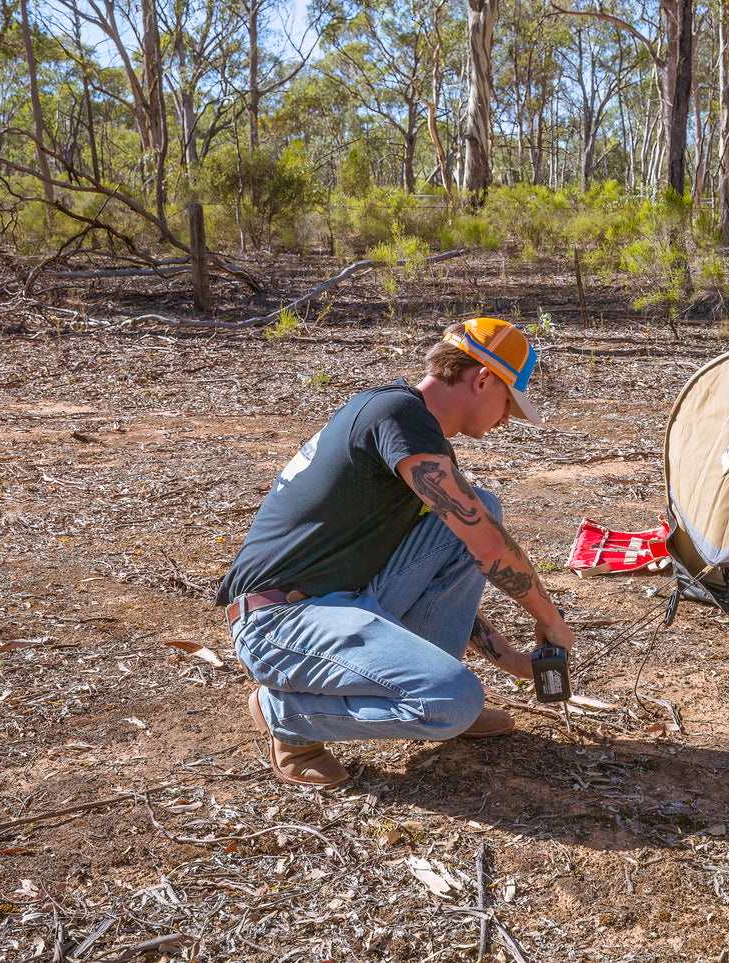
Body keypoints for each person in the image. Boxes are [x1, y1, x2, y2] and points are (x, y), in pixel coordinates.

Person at [217, 317, 577, 788]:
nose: (507, 418)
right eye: (509, 402)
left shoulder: (414, 434)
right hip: (279, 622)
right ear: (483, 378)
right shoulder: (397, 416)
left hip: (344, 602)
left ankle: (443, 696)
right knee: (455, 698)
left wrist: (510, 658)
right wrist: (549, 619)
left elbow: (446, 567)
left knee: (479, 508)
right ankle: (288, 715)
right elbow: (486, 547)